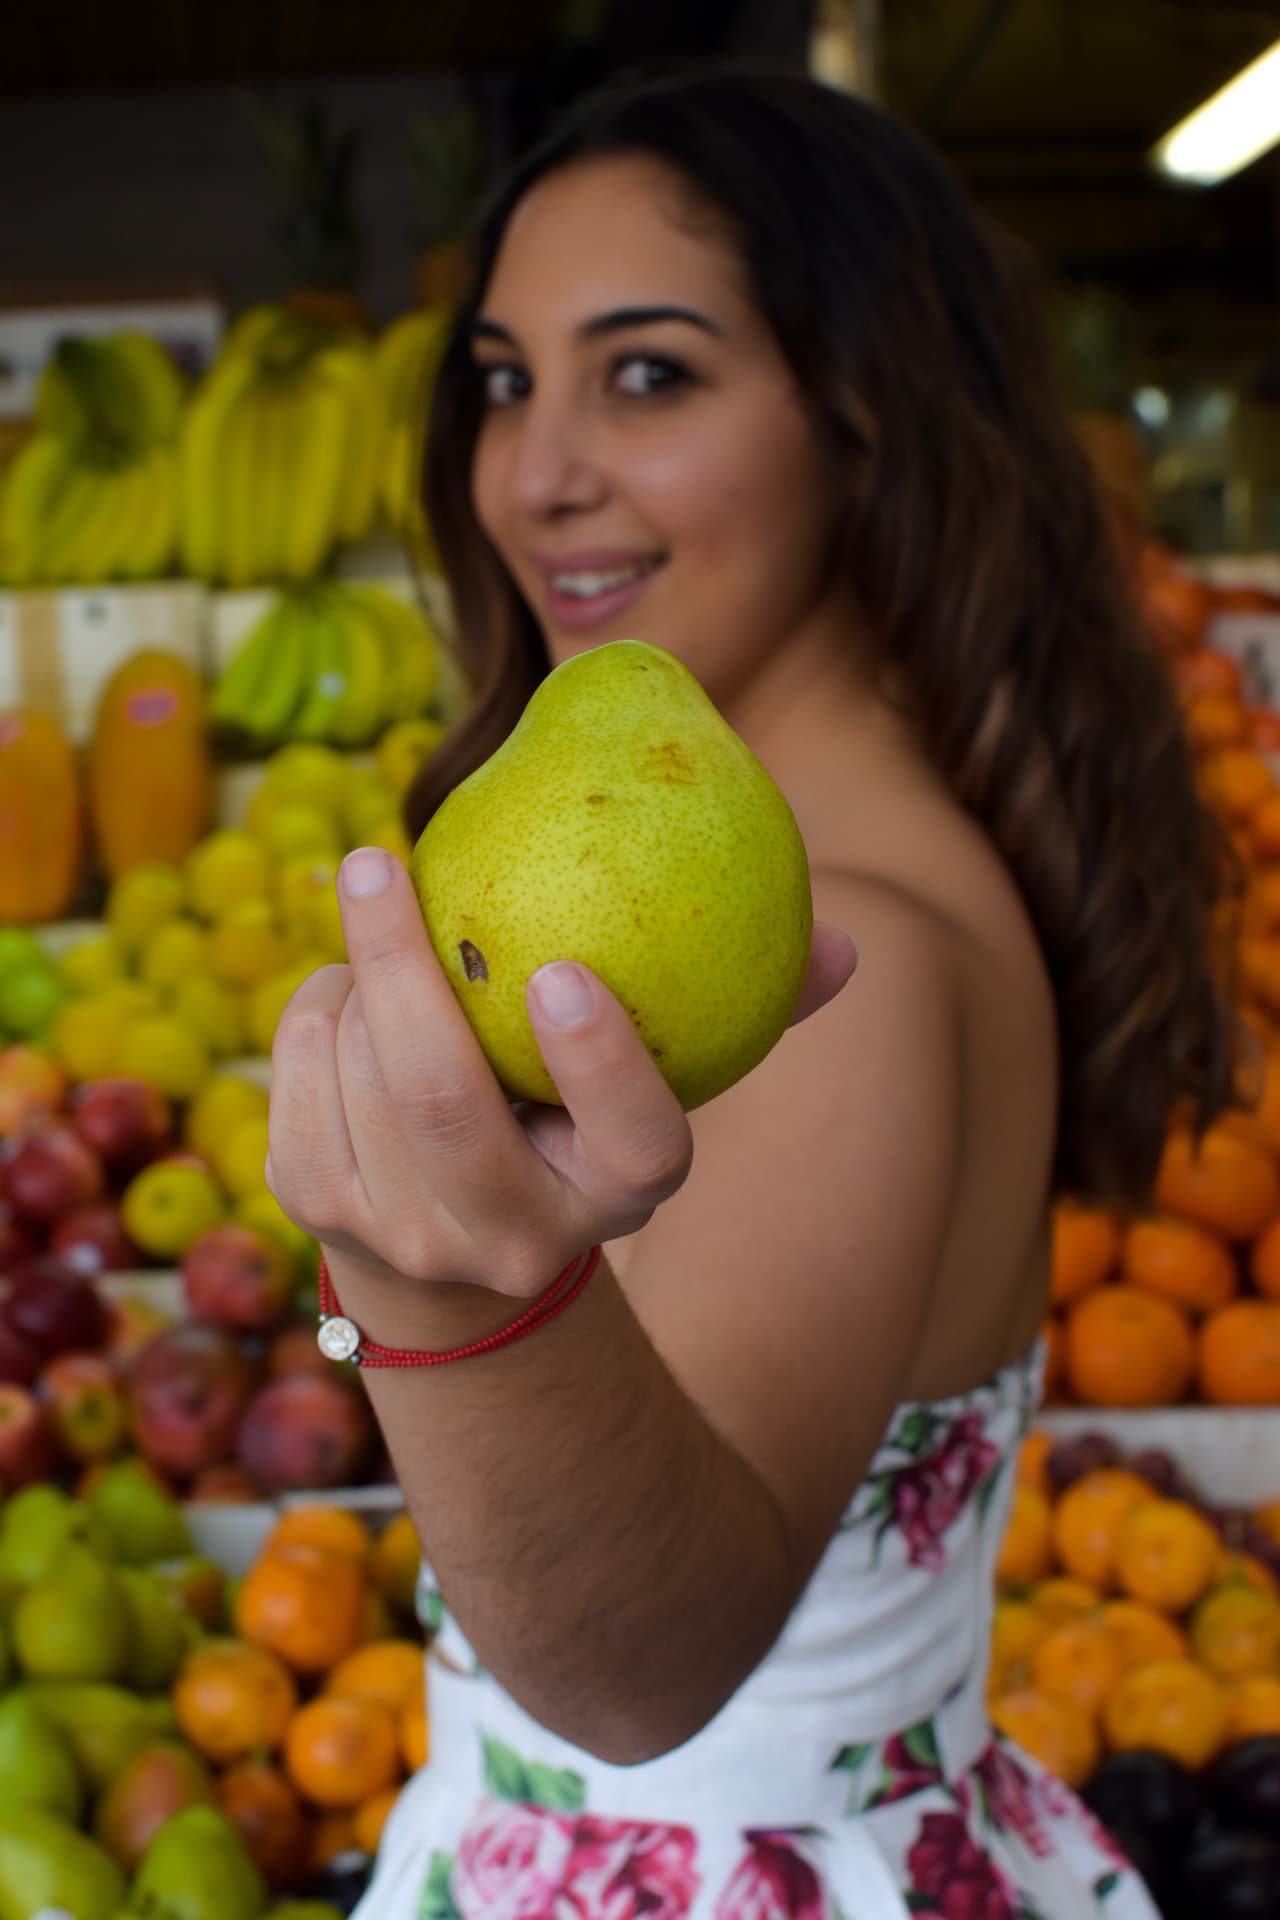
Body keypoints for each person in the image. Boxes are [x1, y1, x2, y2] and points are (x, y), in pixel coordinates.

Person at [266, 63, 1239, 1920]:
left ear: (867, 415)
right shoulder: (828, 868)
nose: (534, 470)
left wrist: (419, 1278)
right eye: (502, 379)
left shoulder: (831, 961)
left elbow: (637, 1670)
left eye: (648, 372)